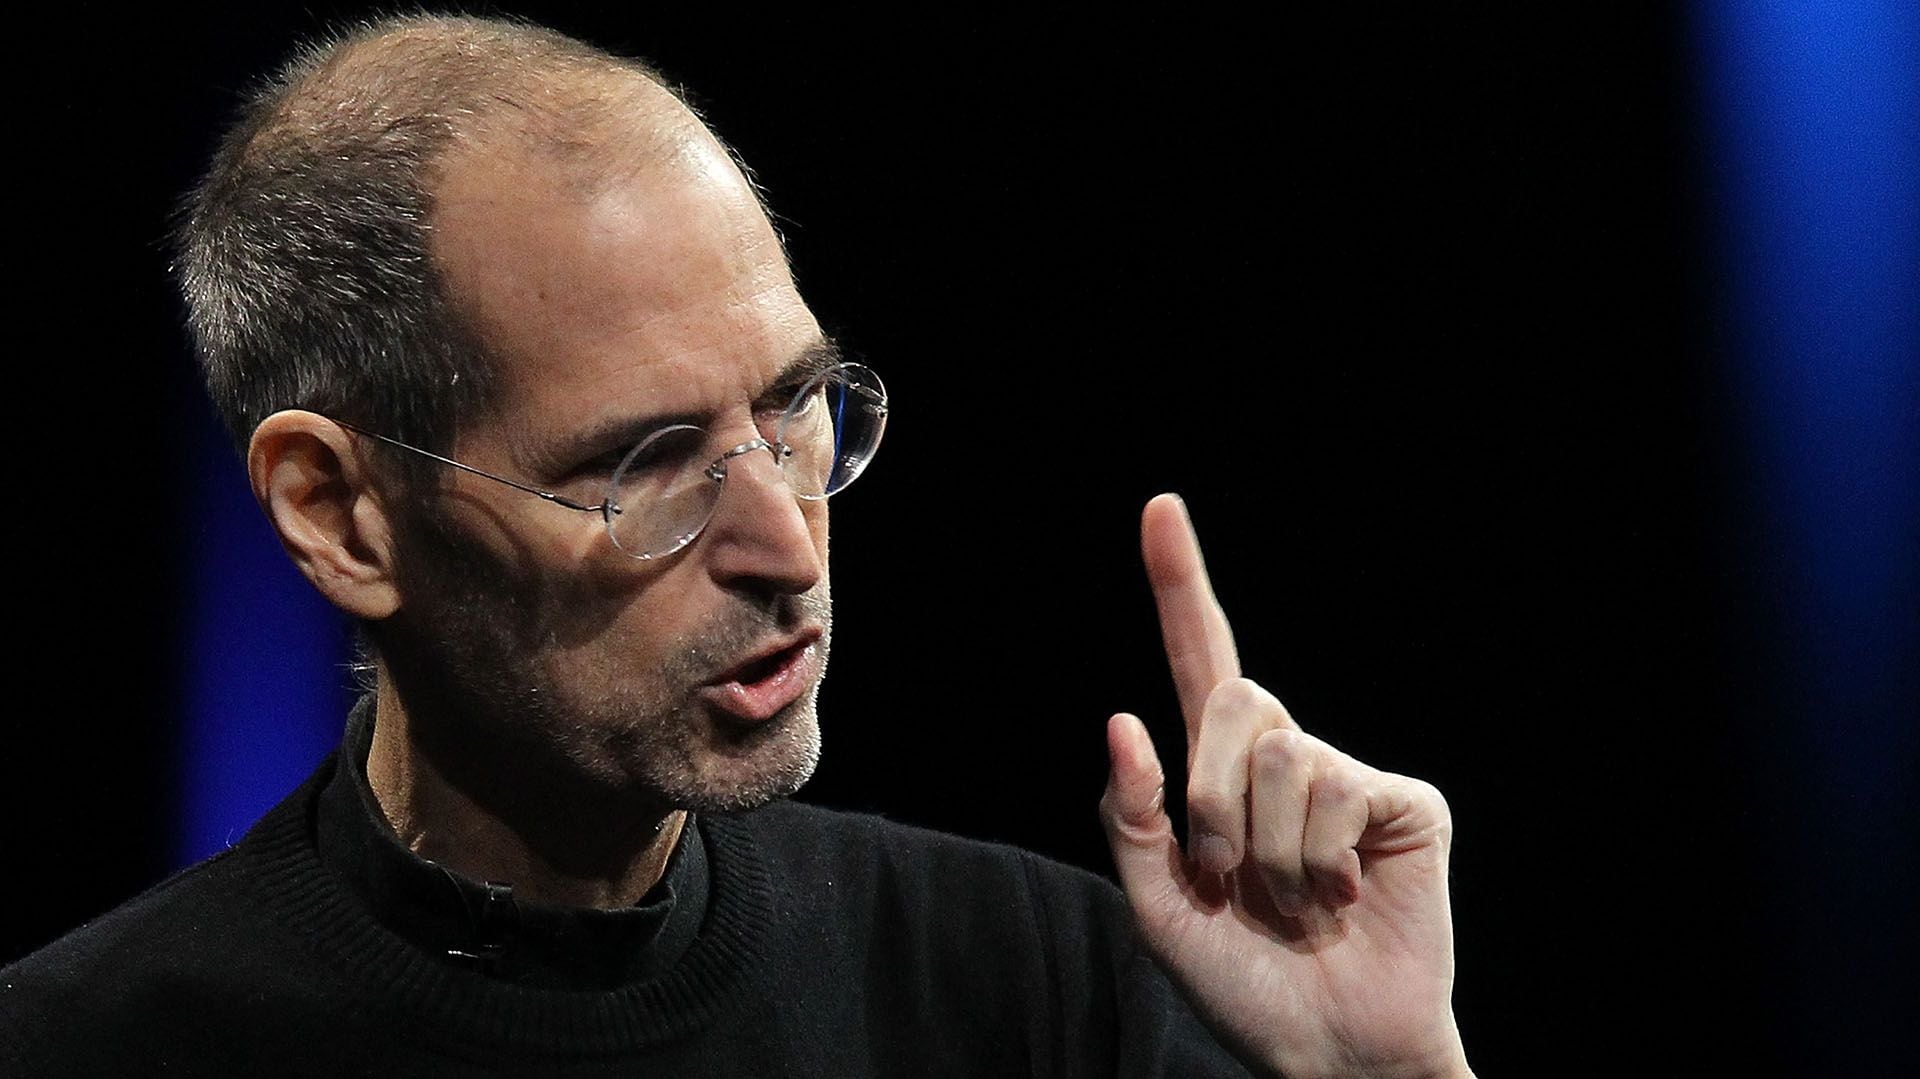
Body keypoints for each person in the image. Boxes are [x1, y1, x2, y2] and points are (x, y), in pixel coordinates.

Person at [2, 15, 1472, 1077]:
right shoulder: (85, 1044)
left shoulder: (1036, 982)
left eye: (796, 409)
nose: (788, 542)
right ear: (341, 513)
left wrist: (1394, 1075)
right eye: (643, 462)